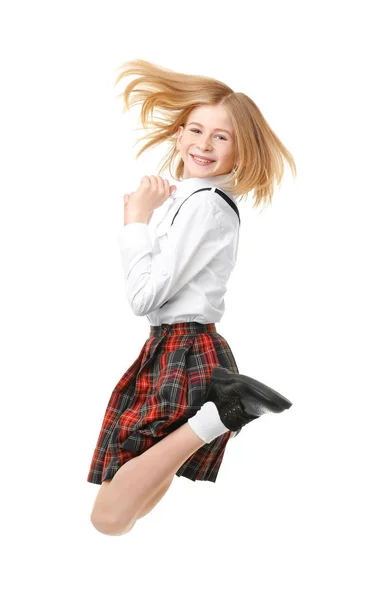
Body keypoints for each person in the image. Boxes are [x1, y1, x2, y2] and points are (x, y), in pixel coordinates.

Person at [87, 59, 297, 536]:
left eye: (221, 137)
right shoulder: (194, 200)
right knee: (131, 509)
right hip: (185, 347)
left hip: (179, 348)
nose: (204, 144)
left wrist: (135, 220)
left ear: (241, 150)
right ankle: (222, 411)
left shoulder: (203, 205)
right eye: (196, 129)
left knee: (108, 518)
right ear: (179, 134)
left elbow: (144, 296)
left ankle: (222, 412)